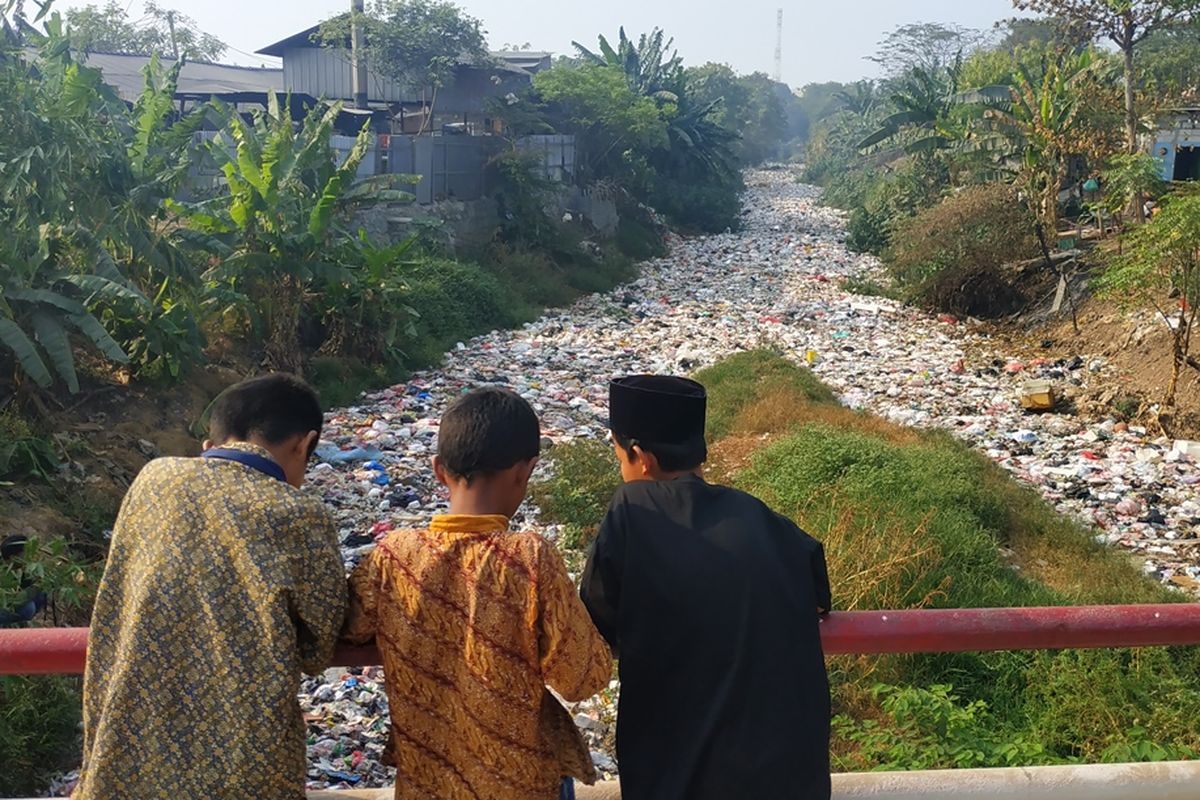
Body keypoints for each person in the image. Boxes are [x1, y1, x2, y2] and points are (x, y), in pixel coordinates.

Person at [75, 374, 347, 800]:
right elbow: (318, 647)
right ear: (303, 444)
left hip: (129, 745)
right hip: (242, 763)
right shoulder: (298, 512)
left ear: (212, 440)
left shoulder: (154, 479)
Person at [342, 387, 612, 800]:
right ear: (525, 471)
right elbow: (582, 678)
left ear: (437, 470)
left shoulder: (392, 556)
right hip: (521, 785)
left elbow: (346, 632)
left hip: (425, 784)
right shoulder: (530, 558)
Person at [581, 375, 833, 800]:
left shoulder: (633, 509)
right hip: (791, 780)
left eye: (618, 454)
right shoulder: (758, 514)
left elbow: (593, 622)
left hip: (684, 780)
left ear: (640, 457)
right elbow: (818, 591)